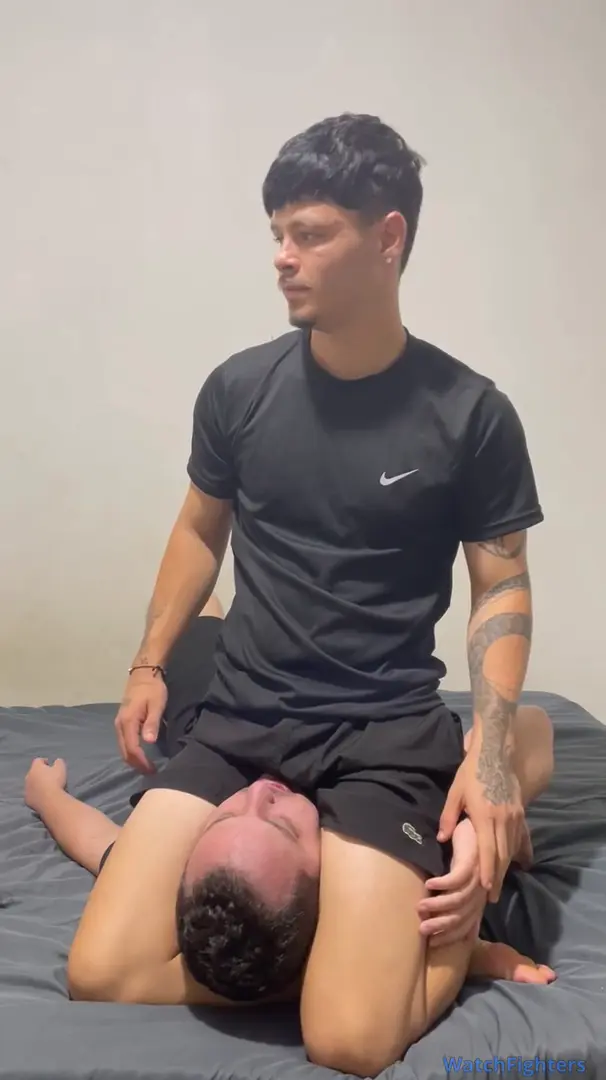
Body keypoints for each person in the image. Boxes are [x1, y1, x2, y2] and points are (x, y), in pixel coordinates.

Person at [68, 113, 546, 1076]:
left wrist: (492, 749)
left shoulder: (470, 415)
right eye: (277, 234)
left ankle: (411, 946)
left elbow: (500, 580)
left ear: (389, 237)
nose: (282, 258)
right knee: (100, 970)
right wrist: (149, 662)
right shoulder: (239, 390)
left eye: (310, 234)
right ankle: (368, 963)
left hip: (381, 731)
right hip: (241, 717)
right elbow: (198, 531)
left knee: (350, 1039)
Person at [25, 600, 555, 1003]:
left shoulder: (226, 870)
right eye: (282, 823)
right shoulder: (379, 849)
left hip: (221, 714)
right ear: (321, 873)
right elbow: (535, 725)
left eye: (223, 816)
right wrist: (487, 826)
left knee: (203, 615)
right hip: (275, 708)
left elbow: (104, 845)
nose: (261, 790)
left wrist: (47, 797)